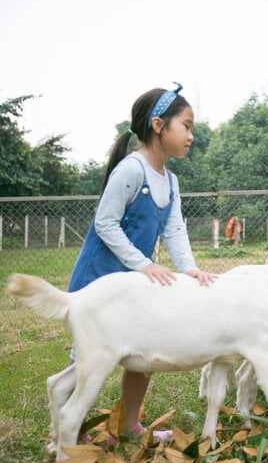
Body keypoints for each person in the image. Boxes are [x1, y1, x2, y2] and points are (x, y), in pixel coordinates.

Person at [67, 82, 217, 438]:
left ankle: (130, 424)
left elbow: (175, 230)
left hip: (135, 285)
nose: (191, 136)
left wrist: (189, 268)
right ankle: (70, 427)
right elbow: (104, 223)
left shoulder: (171, 181)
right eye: (187, 126)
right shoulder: (131, 170)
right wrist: (144, 264)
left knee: (144, 350)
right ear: (158, 125)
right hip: (101, 279)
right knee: (91, 356)